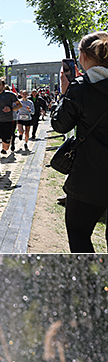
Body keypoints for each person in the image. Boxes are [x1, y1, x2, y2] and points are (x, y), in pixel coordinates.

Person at [51, 31, 108, 253]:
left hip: (89, 178)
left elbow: (60, 125)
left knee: (79, 234)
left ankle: (88, 286)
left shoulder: (80, 88)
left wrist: (65, 93)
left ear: (83, 57)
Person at [0, 79, 21, 177]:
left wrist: (10, 109)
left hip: (7, 123)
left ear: (3, 85)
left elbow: (19, 105)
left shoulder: (10, 95)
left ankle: (6, 145)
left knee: (5, 146)